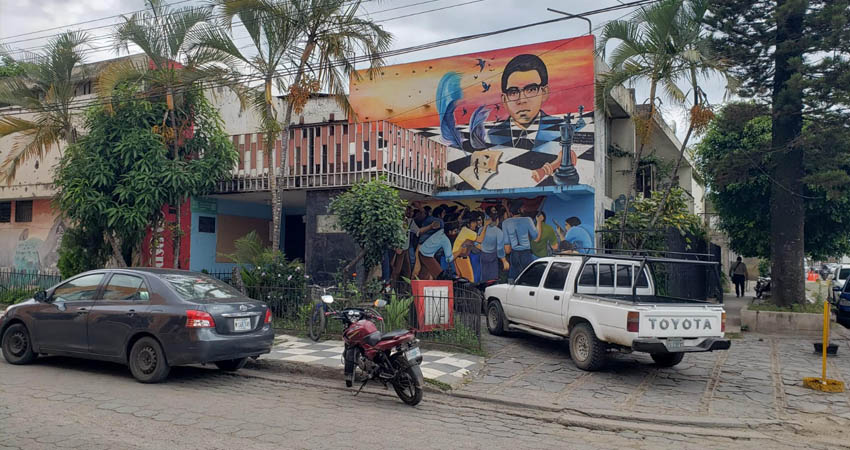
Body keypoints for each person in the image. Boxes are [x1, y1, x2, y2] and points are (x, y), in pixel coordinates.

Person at [486, 54, 576, 183]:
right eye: (513, 92)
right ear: (504, 99)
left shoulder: (560, 130)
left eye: (531, 89)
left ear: (544, 92)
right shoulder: (491, 135)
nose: (522, 100)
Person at [501, 200, 541, 281]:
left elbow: (507, 248)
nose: (524, 209)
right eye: (523, 208)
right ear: (519, 209)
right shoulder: (527, 220)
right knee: (530, 278)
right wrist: (539, 222)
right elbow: (535, 236)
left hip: (514, 254)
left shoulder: (505, 223)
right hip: (526, 253)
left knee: (513, 279)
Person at [478, 207, 509, 282]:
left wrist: (483, 248)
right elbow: (499, 248)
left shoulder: (481, 229)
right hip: (492, 256)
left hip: (482, 255)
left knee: (484, 276)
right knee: (493, 279)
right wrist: (504, 261)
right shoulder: (498, 232)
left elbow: (477, 242)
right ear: (497, 220)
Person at [452, 212, 483, 282]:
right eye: (474, 222)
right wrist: (486, 226)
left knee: (465, 281)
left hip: (461, 258)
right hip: (461, 259)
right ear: (468, 224)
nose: (476, 224)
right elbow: (480, 239)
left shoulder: (465, 230)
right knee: (469, 281)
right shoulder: (467, 232)